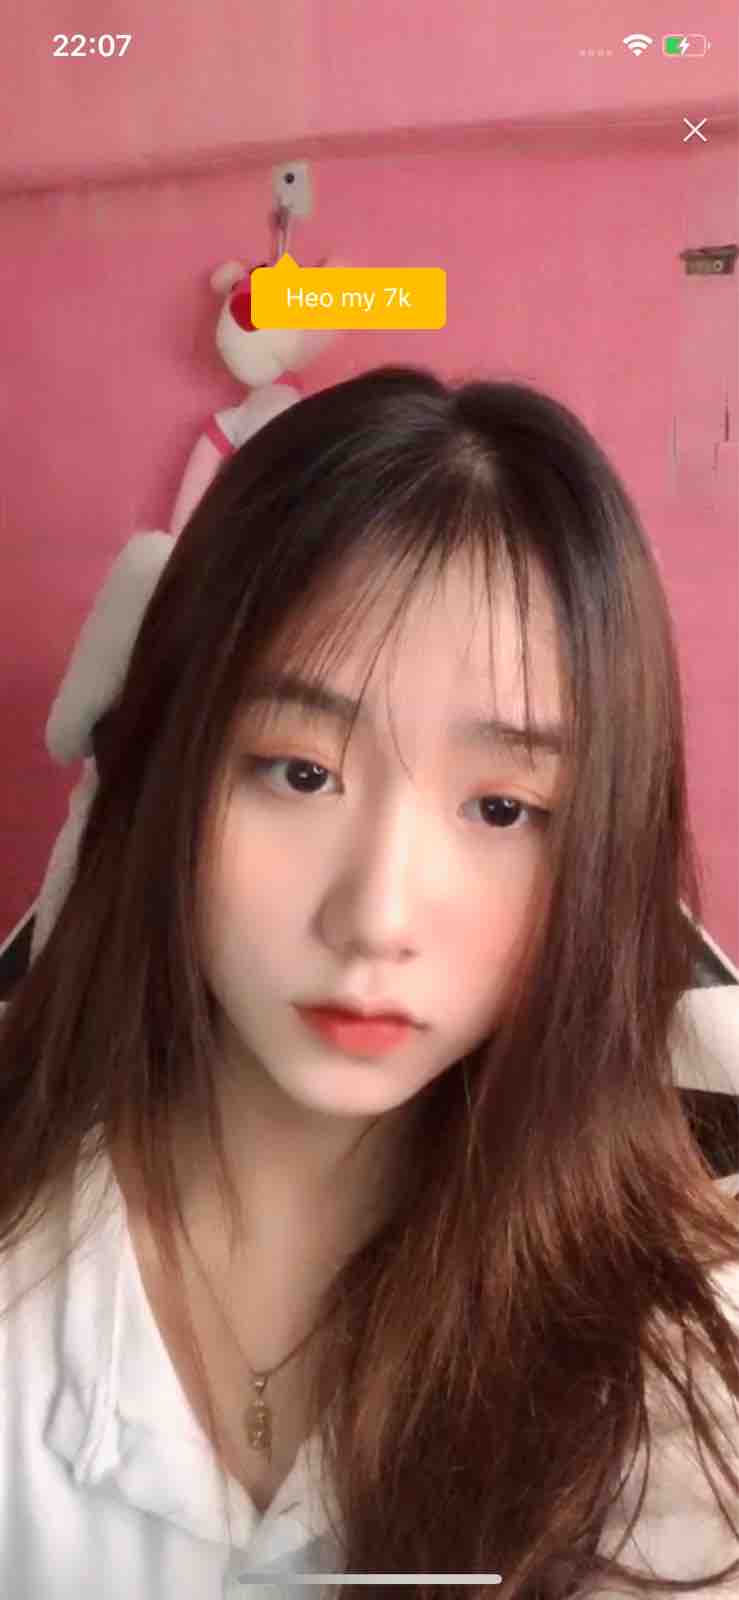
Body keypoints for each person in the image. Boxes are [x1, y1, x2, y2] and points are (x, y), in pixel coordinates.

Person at [2, 364, 739, 1600]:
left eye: (501, 808)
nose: (376, 916)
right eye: (299, 772)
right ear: (169, 772)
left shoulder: (682, 1370)